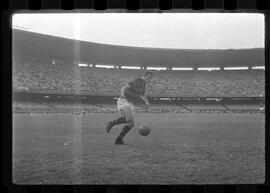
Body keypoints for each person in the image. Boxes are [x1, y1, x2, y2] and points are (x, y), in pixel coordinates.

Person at [106, 70, 154, 145]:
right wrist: (122, 95)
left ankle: (118, 140)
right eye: (149, 78)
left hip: (130, 103)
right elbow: (124, 88)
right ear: (145, 76)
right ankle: (111, 123)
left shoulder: (143, 85)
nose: (150, 80)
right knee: (129, 119)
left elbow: (143, 95)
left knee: (131, 124)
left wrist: (146, 102)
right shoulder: (137, 81)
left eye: (151, 79)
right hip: (124, 100)